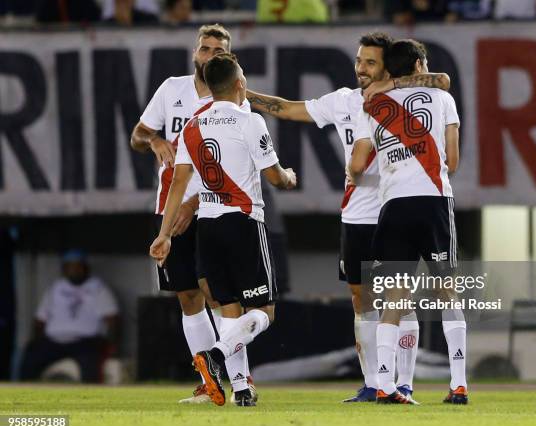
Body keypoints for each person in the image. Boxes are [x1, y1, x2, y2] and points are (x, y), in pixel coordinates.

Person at [246, 32, 450, 403]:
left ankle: (403, 383)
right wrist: (243, 95)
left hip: (394, 207)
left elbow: (441, 80)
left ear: (388, 66)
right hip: (356, 214)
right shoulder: (343, 101)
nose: (360, 68)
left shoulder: (407, 98)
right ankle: (373, 383)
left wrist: (399, 83)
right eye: (358, 61)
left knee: (398, 300)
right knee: (360, 299)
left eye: (370, 62)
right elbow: (289, 108)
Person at [150, 53, 297, 406]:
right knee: (264, 311)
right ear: (239, 84)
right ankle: (215, 355)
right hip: (243, 222)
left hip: (208, 228)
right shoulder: (250, 122)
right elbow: (275, 177)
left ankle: (242, 390)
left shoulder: (192, 127)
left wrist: (165, 234)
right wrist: (289, 177)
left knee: (229, 309)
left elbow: (177, 183)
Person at [131, 24, 256, 405]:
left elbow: (237, 167)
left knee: (220, 296)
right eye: (205, 48)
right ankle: (210, 384)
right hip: (169, 206)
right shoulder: (172, 89)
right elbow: (138, 133)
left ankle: (241, 382)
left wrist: (194, 202)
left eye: (218, 49)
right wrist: (155, 141)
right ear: (195, 53)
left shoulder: (237, 101)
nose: (210, 55)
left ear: (229, 57)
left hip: (215, 209)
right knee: (187, 296)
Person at [350, 38, 467, 405]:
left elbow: (357, 165)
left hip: (394, 204)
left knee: (393, 299)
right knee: (448, 293)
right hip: (433, 201)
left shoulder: (373, 105)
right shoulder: (444, 100)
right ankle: (459, 383)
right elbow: (453, 161)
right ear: (419, 66)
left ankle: (385, 385)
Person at [20, 250, 119, 383]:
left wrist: (111, 344)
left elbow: (112, 319)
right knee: (31, 356)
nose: (74, 270)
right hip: (54, 341)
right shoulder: (56, 287)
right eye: (70, 267)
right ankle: (26, 395)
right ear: (64, 269)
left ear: (86, 268)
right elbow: (40, 320)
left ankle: (90, 398)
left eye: (78, 266)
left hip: (85, 341)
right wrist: (36, 340)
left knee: (90, 364)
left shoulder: (98, 288)